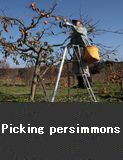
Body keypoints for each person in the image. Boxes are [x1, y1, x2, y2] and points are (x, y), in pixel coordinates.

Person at [64, 19, 92, 88]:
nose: (74, 23)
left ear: (80, 23)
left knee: (83, 66)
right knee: (76, 66)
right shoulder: (74, 33)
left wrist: (69, 24)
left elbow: (77, 30)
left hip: (82, 48)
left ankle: (89, 83)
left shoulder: (83, 29)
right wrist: (68, 45)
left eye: (76, 22)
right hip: (76, 49)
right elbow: (72, 40)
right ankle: (80, 83)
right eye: (74, 22)